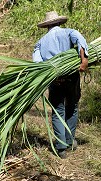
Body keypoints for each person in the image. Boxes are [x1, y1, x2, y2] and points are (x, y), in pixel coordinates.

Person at [32, 11, 89, 159]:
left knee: (57, 111)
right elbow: (80, 40)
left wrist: (51, 76)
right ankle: (70, 141)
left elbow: (38, 64)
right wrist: (84, 60)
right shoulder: (69, 32)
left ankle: (61, 148)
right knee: (72, 106)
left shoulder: (40, 42)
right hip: (71, 77)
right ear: (59, 23)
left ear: (47, 27)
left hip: (54, 80)